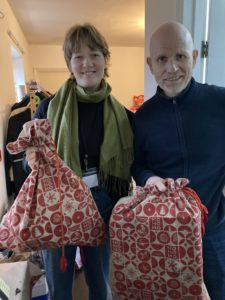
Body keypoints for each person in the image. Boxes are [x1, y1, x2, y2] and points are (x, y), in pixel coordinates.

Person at [26, 23, 133, 300]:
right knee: (59, 284)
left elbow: (136, 161)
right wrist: (33, 156)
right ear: (69, 63)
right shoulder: (48, 108)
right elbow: (30, 166)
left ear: (105, 59)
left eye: (95, 54)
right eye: (78, 56)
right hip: (58, 203)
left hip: (103, 202)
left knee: (100, 281)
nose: (88, 63)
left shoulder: (122, 115)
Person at [132, 21, 225, 300]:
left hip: (215, 233)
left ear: (194, 57)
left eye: (180, 56)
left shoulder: (220, 102)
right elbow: (136, 164)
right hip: (165, 235)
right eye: (162, 59)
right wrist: (150, 178)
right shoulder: (143, 118)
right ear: (151, 64)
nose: (171, 68)